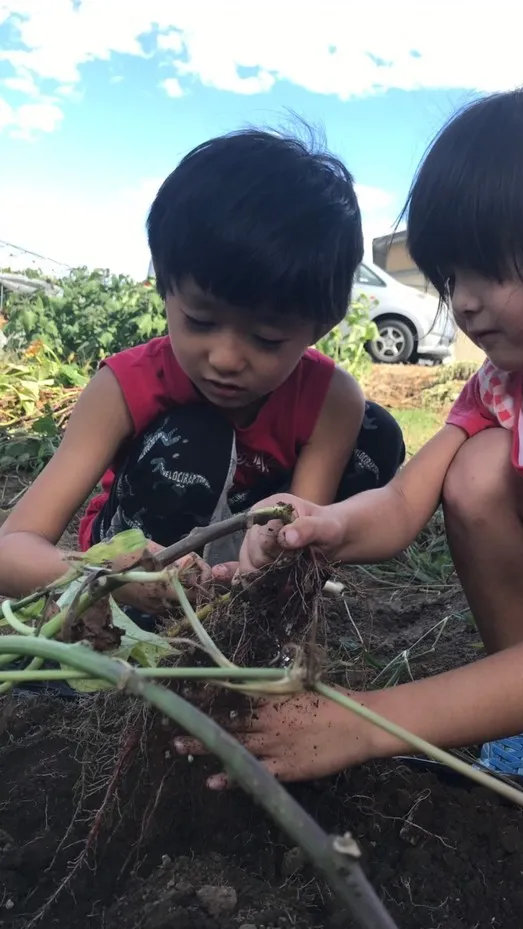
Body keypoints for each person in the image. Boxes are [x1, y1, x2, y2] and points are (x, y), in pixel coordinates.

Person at [196, 76, 523, 809]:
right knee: (476, 469)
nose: (463, 301)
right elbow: (406, 502)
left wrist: (366, 723)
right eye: (451, 275)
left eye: (490, 268)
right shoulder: (507, 379)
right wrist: (323, 523)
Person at [0, 130, 405, 619]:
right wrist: (117, 576)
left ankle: (243, 612)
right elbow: (12, 551)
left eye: (268, 339)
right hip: (135, 569)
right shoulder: (123, 387)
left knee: (376, 437)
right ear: (166, 289)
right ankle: (146, 619)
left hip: (237, 564)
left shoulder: (331, 400)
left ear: (320, 327)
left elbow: (303, 519)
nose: (226, 358)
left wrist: (279, 559)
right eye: (200, 321)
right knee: (195, 439)